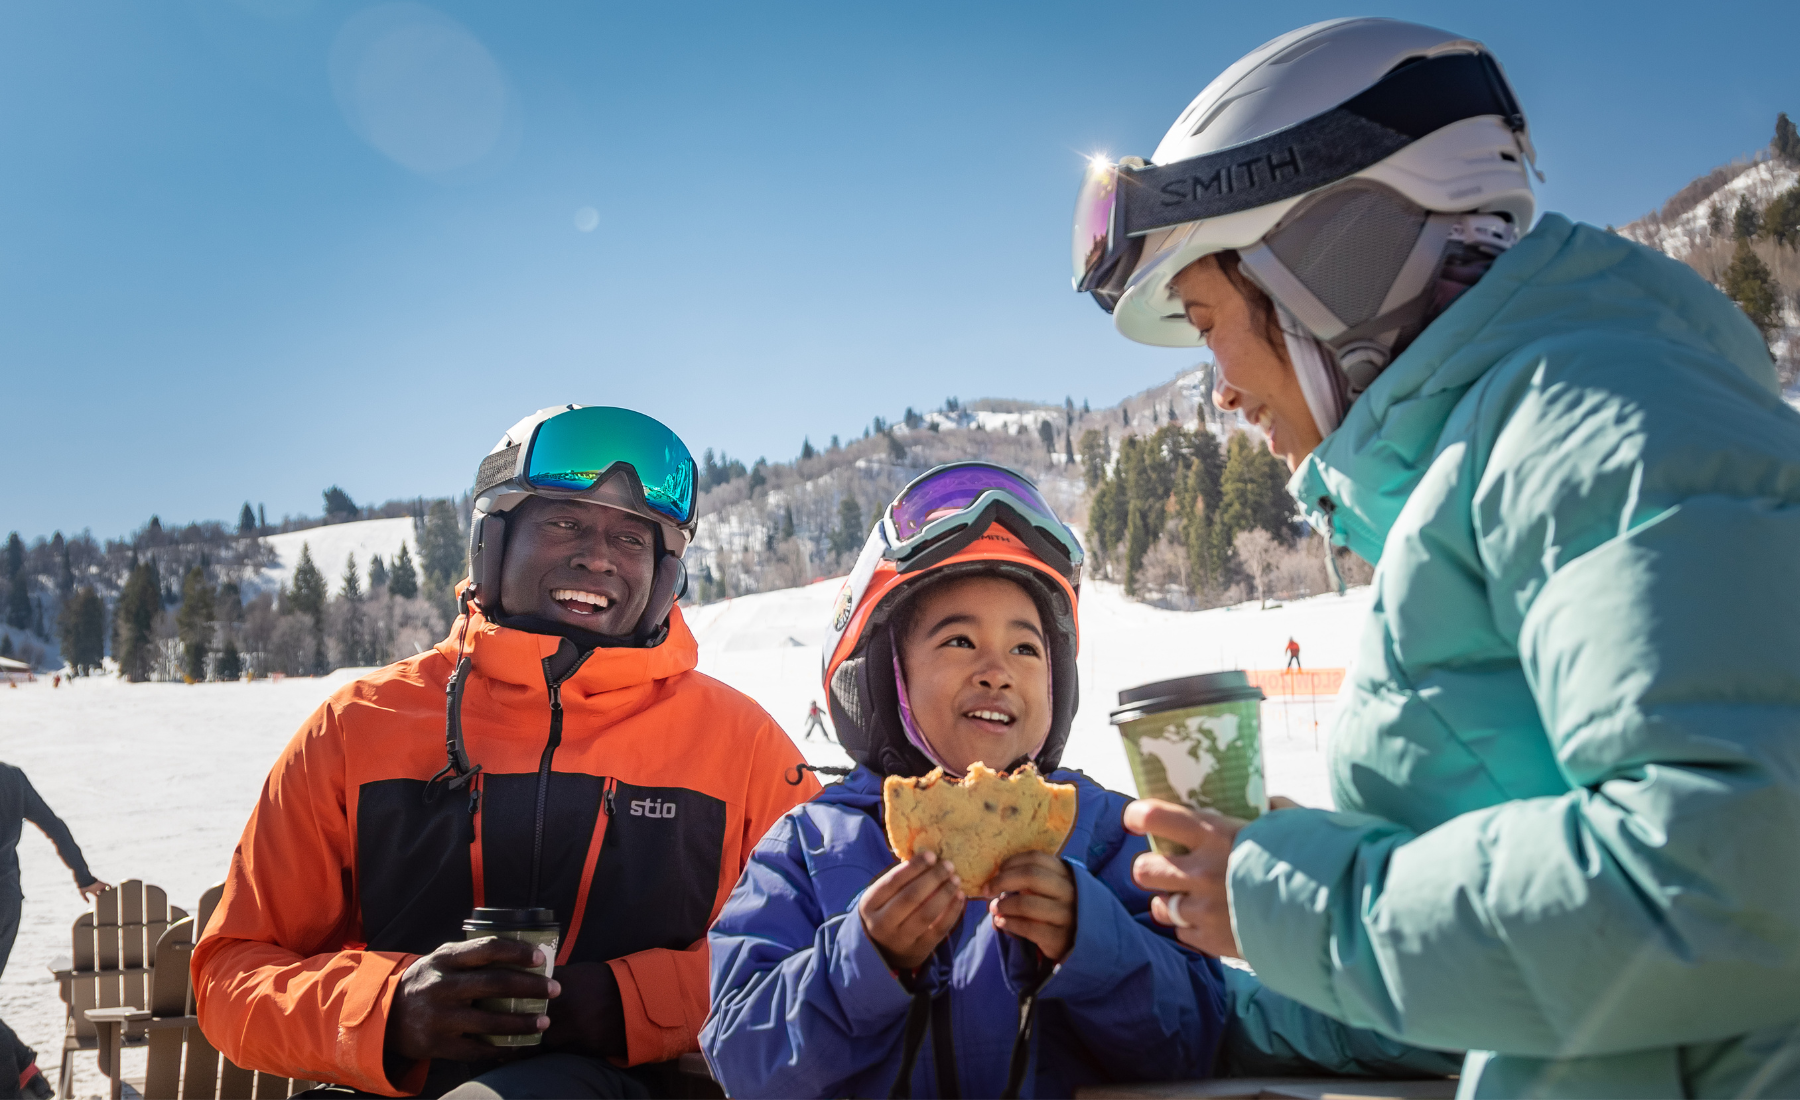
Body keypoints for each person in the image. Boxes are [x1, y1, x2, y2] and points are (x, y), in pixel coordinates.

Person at [1071, 18, 1800, 1097]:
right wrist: (1199, 991)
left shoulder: (1597, 417)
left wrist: (1301, 902)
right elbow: (1524, 977)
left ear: (1329, 263)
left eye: (1206, 316)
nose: (1217, 387)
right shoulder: (1498, 454)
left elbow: (1732, 879)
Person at [703, 463, 1450, 1097]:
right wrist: (863, 960)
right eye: (959, 639)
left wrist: (1089, 943)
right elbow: (740, 1055)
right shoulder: (809, 843)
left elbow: (1195, 1031)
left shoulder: (1104, 833)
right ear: (883, 675)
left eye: (1027, 649)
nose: (996, 668)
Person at [192, 406, 819, 1099]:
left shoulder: (740, 744)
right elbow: (232, 974)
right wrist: (390, 1009)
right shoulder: (358, 727)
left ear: (664, 574)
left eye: (632, 539)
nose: (598, 555)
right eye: (563, 522)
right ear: (493, 541)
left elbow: (820, 958)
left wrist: (624, 1005)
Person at [0, 764, 105, 1099]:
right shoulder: (12, 778)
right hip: (7, 902)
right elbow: (54, 826)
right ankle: (27, 1073)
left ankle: (18, 1083)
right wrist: (84, 877)